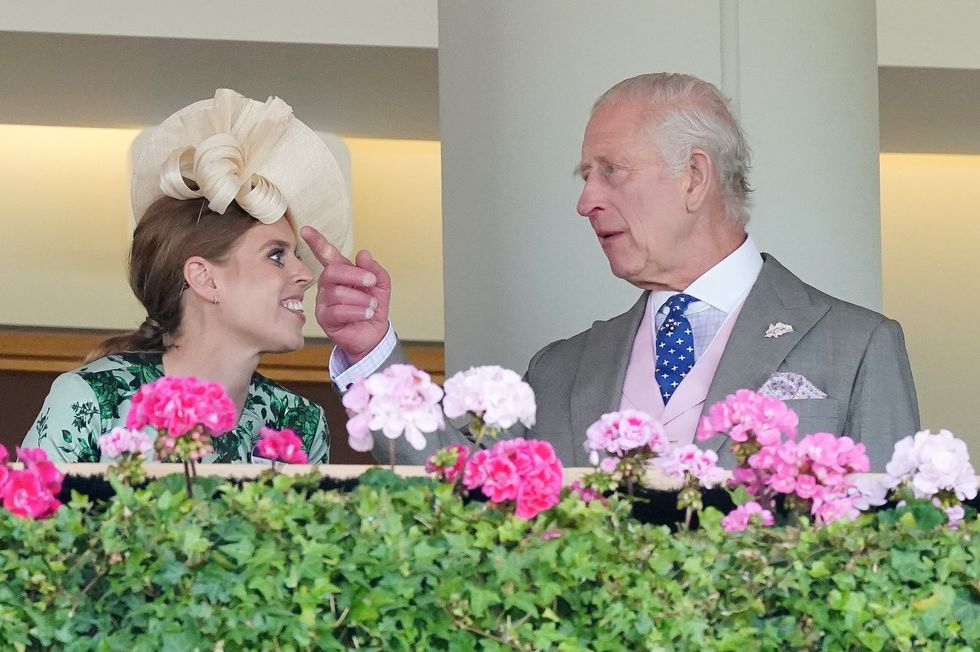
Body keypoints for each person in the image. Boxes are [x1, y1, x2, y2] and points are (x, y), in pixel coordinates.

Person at [305, 73, 919, 470]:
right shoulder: (562, 368)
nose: (586, 201)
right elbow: (454, 480)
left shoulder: (858, 346)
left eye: (611, 171)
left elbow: (898, 556)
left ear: (695, 178)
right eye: (584, 176)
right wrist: (370, 352)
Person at [23, 89, 351, 464]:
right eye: (276, 255)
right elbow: (26, 521)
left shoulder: (301, 425)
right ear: (205, 278)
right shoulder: (93, 399)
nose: (306, 274)